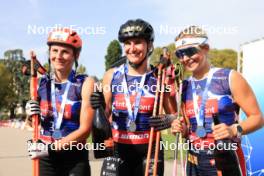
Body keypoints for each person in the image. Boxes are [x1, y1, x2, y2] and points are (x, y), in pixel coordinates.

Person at [150, 26, 264, 176]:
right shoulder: (185, 86)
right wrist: (181, 129)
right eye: (180, 54)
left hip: (225, 159)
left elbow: (258, 118)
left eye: (190, 51)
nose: (185, 58)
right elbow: (190, 129)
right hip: (193, 162)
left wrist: (234, 130)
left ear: (205, 48)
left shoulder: (229, 77)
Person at [90, 19, 176, 176]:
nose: (132, 48)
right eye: (127, 43)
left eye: (138, 42)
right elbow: (105, 114)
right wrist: (99, 106)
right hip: (117, 149)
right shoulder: (112, 75)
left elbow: (175, 115)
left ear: (149, 45)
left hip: (150, 150)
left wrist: (170, 119)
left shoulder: (159, 76)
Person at [26, 28, 95, 176]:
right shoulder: (41, 82)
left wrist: (51, 148)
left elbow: (85, 131)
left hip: (74, 158)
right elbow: (34, 124)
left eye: (65, 52)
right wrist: (30, 114)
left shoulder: (85, 83)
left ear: (76, 55)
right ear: (49, 53)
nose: (59, 56)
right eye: (54, 50)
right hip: (45, 158)